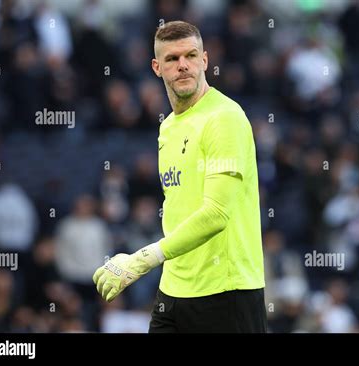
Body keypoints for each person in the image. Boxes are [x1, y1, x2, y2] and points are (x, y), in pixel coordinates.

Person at [93, 20, 266, 333]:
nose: (182, 65)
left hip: (226, 292)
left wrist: (142, 259)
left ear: (205, 61)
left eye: (190, 56)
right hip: (174, 290)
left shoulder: (224, 118)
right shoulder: (167, 127)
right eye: (172, 59)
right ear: (157, 68)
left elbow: (216, 214)